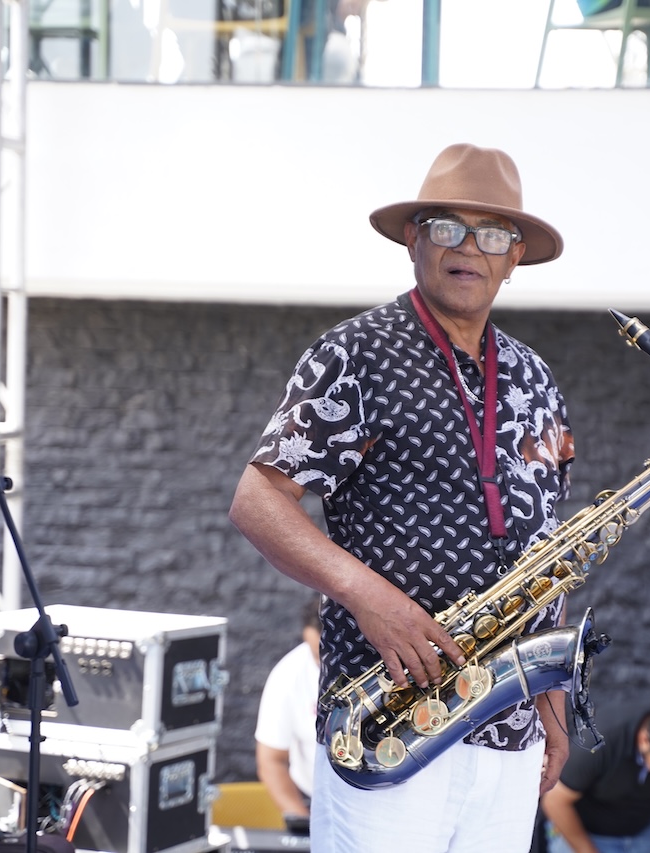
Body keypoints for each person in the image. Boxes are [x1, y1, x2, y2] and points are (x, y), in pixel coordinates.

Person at [229, 142, 574, 852]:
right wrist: (368, 597)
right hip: (387, 727)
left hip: (510, 732)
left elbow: (550, 548)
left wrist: (552, 695)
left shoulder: (537, 378)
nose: (468, 247)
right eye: (447, 227)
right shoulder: (355, 353)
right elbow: (257, 501)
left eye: (492, 234)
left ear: (514, 257)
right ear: (414, 239)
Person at [540, 708, 650, 853]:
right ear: (645, 741)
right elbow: (555, 802)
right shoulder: (598, 742)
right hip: (584, 831)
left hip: (644, 831)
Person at [255, 597, 322, 823]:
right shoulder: (288, 674)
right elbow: (271, 760)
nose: (321, 663)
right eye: (316, 655)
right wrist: (304, 824)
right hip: (315, 801)